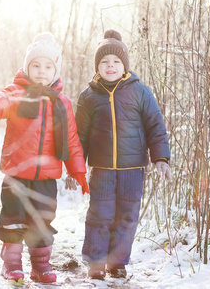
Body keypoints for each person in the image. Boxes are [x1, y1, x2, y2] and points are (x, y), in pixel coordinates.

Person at [0, 32, 89, 284]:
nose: (42, 71)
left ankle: (41, 266)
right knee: (13, 221)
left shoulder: (62, 102)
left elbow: (72, 140)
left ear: (56, 70)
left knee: (42, 221)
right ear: (27, 67)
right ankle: (12, 266)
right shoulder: (17, 93)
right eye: (36, 65)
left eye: (48, 66)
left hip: (46, 178)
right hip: (16, 174)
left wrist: (78, 171)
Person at [70, 29, 171, 280]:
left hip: (133, 170)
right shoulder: (89, 95)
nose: (110, 66)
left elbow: (155, 126)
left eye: (116, 61)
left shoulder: (140, 92)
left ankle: (117, 263)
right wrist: (75, 168)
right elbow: (79, 135)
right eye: (104, 62)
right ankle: (95, 263)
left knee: (126, 218)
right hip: (102, 169)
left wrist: (160, 158)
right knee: (99, 216)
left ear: (124, 65)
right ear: (97, 66)